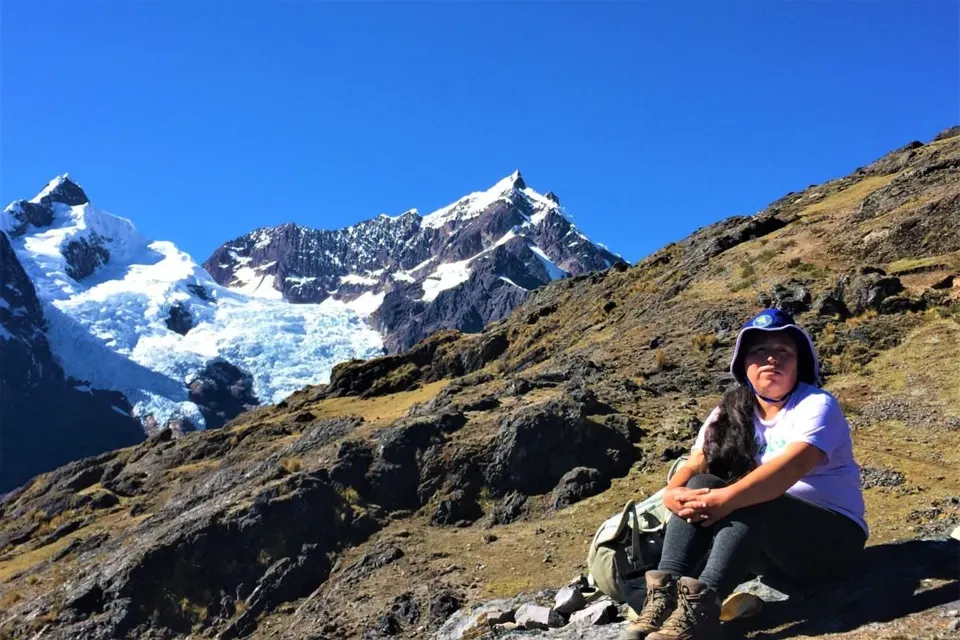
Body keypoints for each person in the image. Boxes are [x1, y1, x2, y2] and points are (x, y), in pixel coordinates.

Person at [623, 308, 868, 640]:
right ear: (744, 365)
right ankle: (664, 600)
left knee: (751, 497)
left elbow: (791, 468)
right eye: (759, 352)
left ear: (800, 363)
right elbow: (698, 462)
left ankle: (702, 608)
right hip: (771, 556)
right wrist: (672, 492)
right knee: (700, 484)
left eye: (783, 351)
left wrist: (726, 499)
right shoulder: (730, 411)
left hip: (830, 545)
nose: (771, 359)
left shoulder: (817, 405)